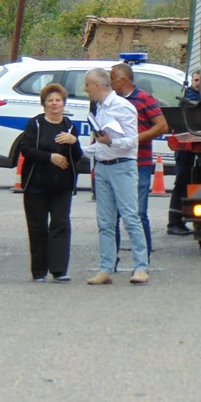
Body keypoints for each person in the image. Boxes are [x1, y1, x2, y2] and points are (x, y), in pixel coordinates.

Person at [82, 68, 150, 285]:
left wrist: (110, 142)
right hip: (102, 166)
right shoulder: (99, 108)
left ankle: (141, 267)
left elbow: (132, 141)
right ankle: (106, 267)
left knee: (131, 217)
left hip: (122, 166)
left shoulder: (123, 107)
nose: (85, 89)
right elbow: (99, 143)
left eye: (87, 85)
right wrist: (82, 149)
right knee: (105, 221)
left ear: (97, 85)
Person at [20, 83, 83, 282]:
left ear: (64, 103)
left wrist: (74, 142)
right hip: (36, 184)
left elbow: (77, 156)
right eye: (50, 101)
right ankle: (39, 271)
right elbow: (26, 149)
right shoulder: (35, 124)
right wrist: (50, 157)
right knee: (37, 227)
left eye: (58, 100)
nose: (54, 104)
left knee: (61, 225)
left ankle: (59, 270)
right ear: (44, 104)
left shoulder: (70, 126)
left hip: (62, 186)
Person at [109, 63, 168, 258]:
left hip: (139, 162)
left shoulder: (144, 99)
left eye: (112, 78)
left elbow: (161, 126)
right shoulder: (110, 100)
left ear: (123, 80)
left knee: (138, 212)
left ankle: (144, 258)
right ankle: (111, 261)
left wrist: (135, 140)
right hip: (115, 162)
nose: (109, 82)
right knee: (113, 215)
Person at [168, 71, 201, 235]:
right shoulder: (189, 97)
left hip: (195, 144)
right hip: (187, 147)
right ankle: (174, 222)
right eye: (196, 80)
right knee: (182, 181)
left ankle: (180, 221)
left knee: (188, 182)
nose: (199, 83)